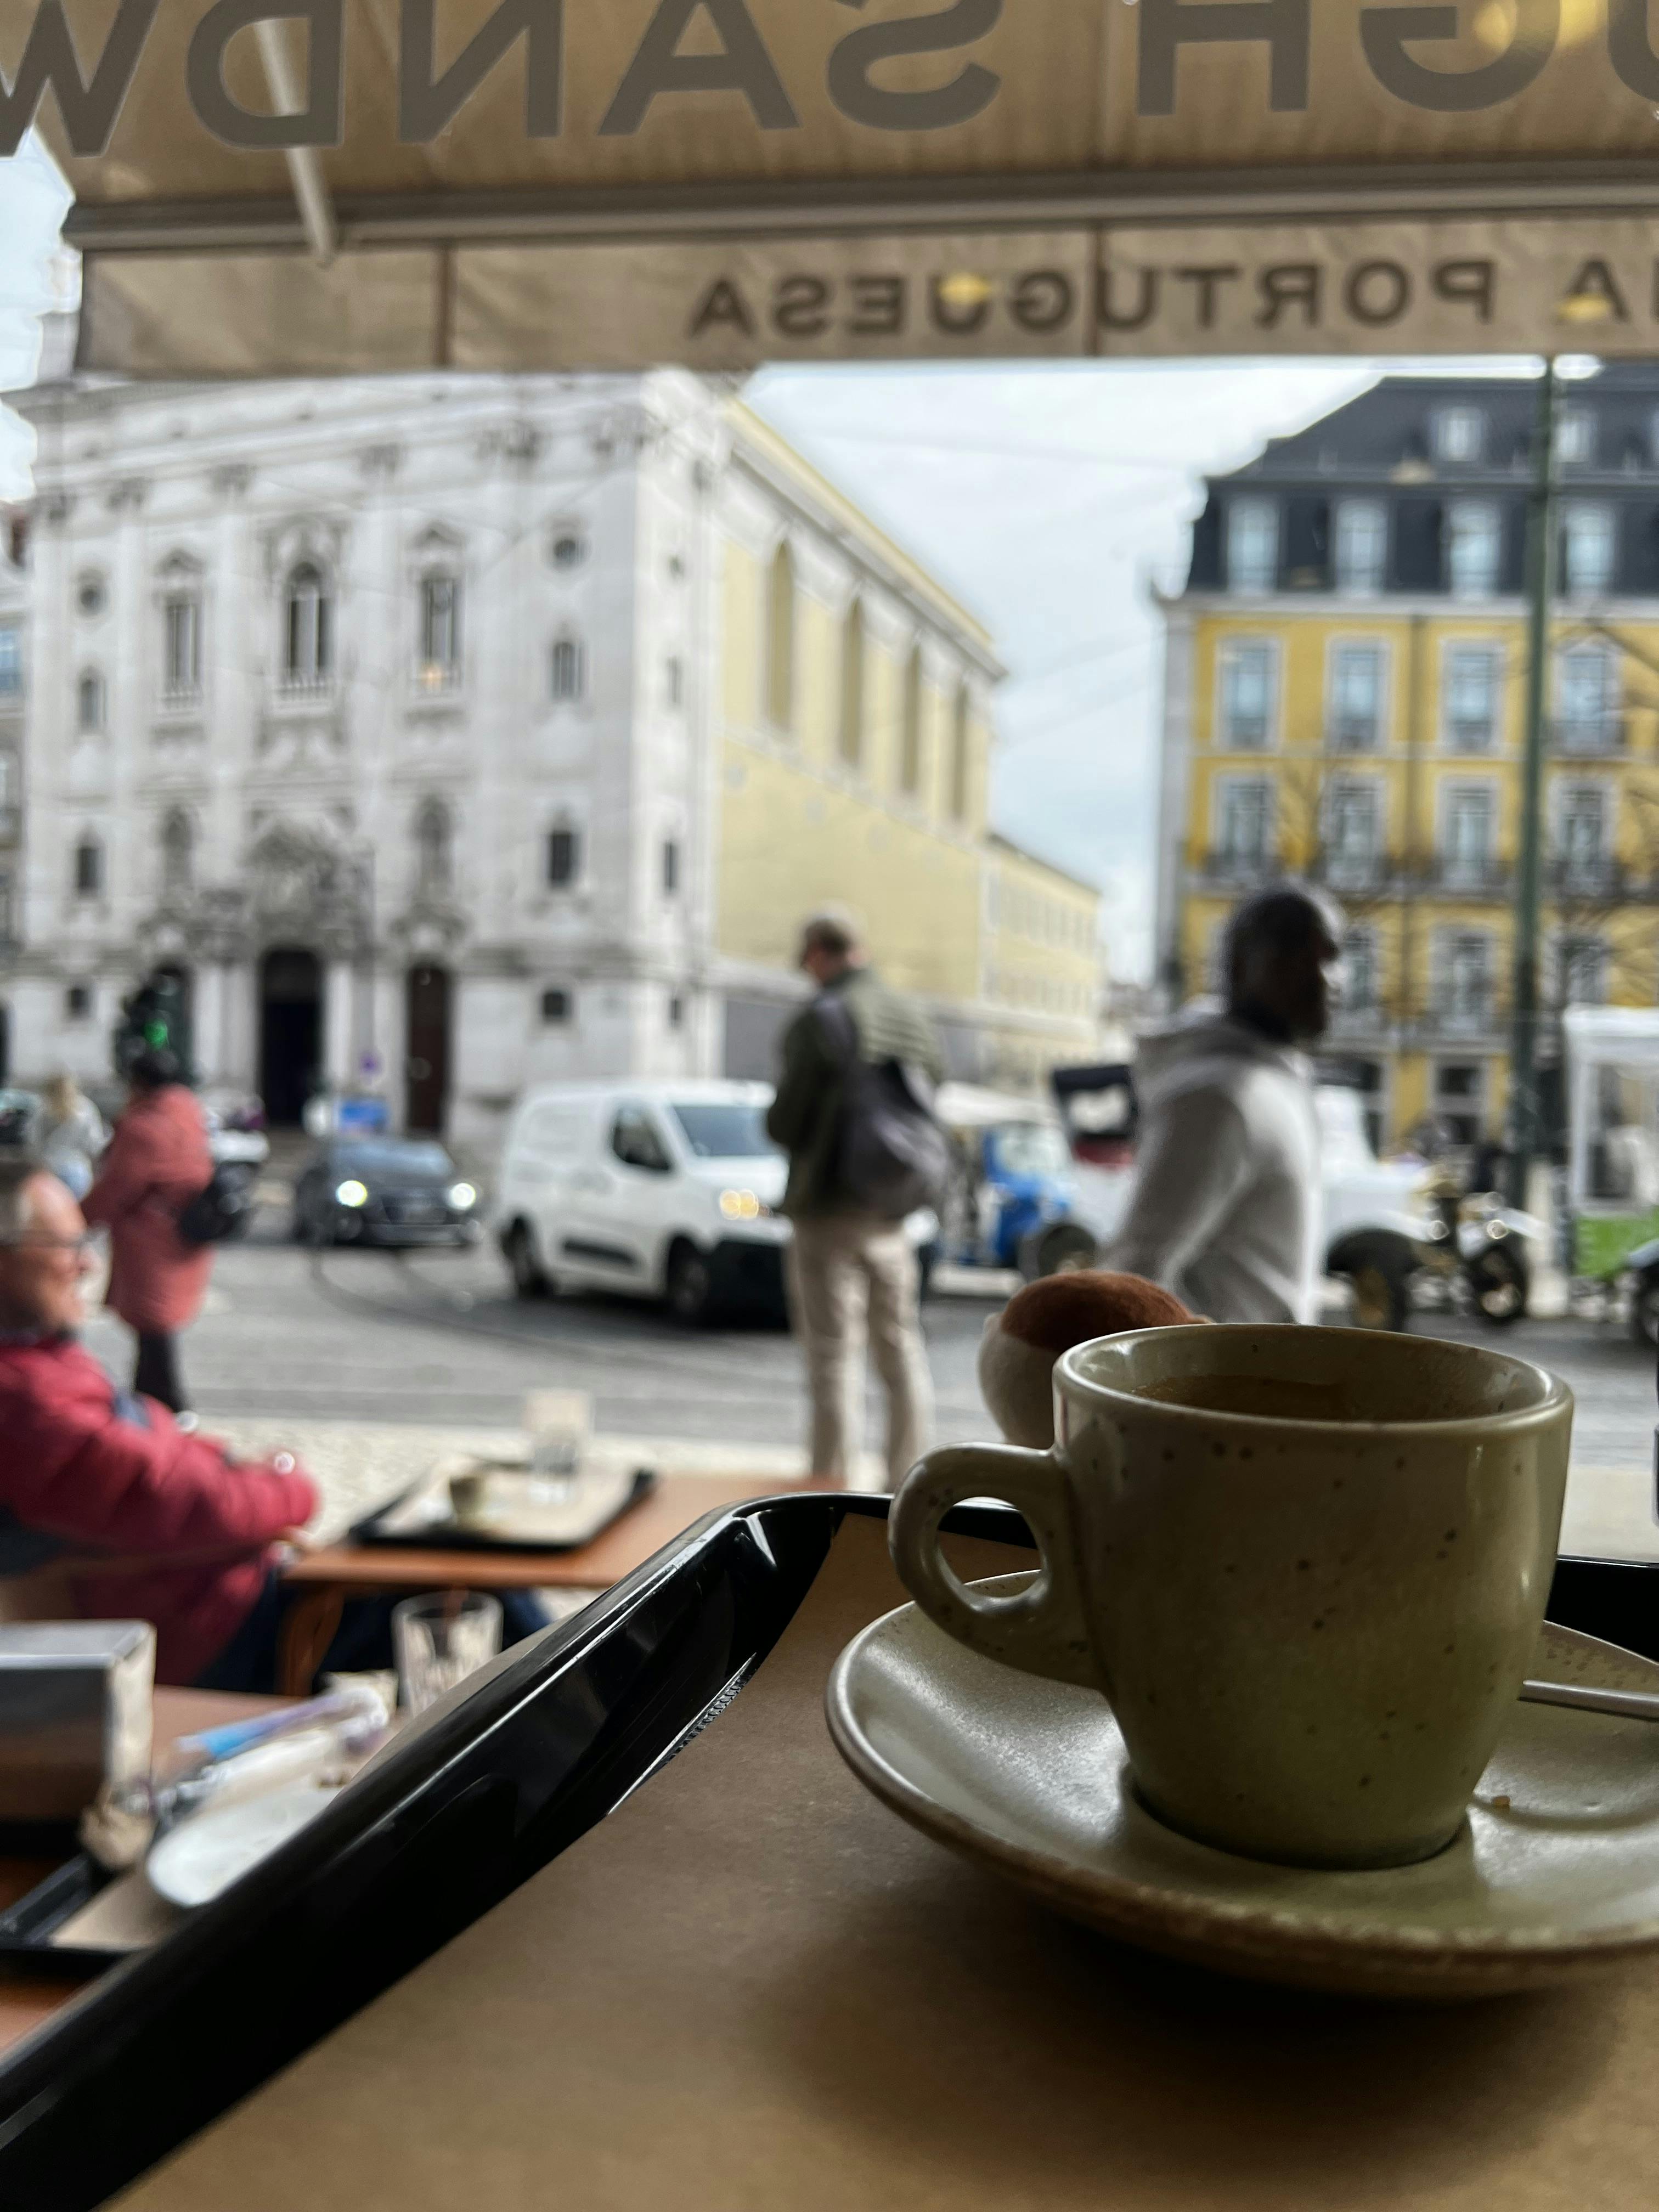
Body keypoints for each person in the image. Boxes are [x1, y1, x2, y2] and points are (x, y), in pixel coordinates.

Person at [0, 1155, 549, 1691]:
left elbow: (161, 1465)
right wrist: (287, 1482)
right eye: (64, 1245)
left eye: (85, 1242)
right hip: (219, 1634)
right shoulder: (27, 1401)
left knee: (445, 1548)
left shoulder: (41, 1364)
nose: (88, 1263)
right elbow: (190, 1499)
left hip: (225, 1598)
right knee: (483, 1591)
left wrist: (229, 1466)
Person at [766, 909, 944, 1486]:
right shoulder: (911, 1016)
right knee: (901, 1347)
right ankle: (908, 1482)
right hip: (894, 1209)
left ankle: (832, 1485)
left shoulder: (822, 1017)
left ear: (819, 953)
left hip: (829, 1206)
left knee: (832, 1353)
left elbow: (786, 1123)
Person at [1108, 885, 1340, 1324]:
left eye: (1331, 957)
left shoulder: (1275, 1081)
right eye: (1295, 956)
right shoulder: (1216, 1100)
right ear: (1239, 966)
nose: (1325, 978)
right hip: (1226, 1369)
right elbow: (1135, 1277)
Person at [82, 1048, 213, 1415]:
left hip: (151, 1237)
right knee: (157, 1322)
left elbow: (119, 1185)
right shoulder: (188, 1112)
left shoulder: (145, 1126)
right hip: (182, 1232)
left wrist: (78, 1218)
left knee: (154, 1320)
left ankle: (168, 1404)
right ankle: (149, 1399)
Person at [36, 1073, 108, 1200]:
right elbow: (94, 1145)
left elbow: (34, 1142)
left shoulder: (43, 1109)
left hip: (50, 1169)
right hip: (78, 1170)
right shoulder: (85, 1108)